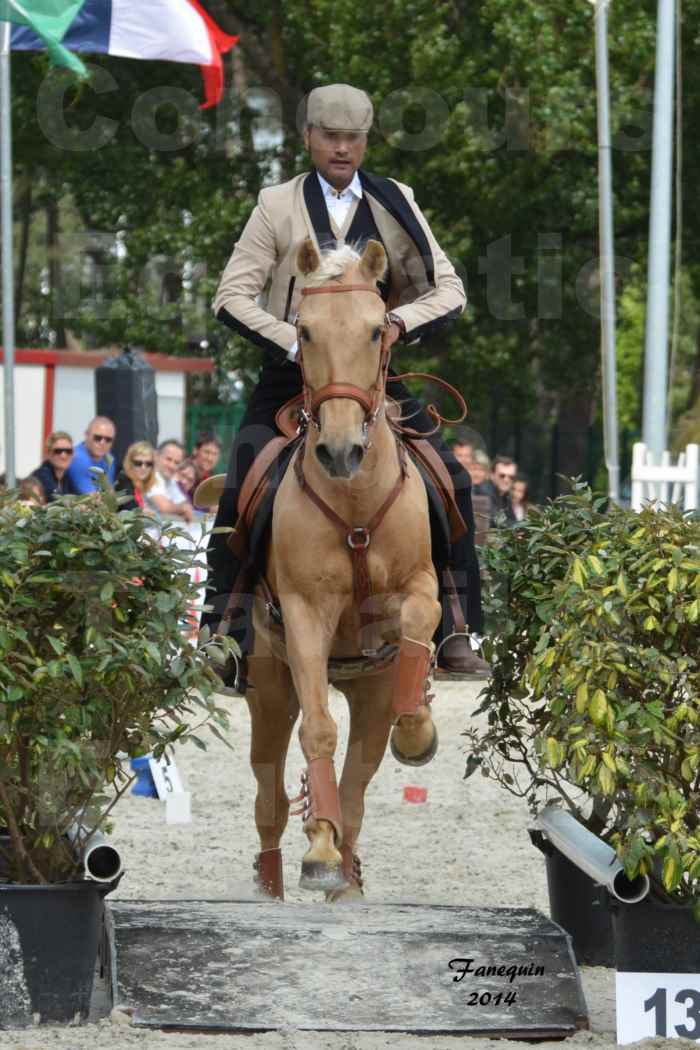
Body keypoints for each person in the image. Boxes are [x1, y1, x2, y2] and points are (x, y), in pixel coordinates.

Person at [205, 82, 490, 683]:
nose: (341, 148)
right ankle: (222, 632)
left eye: (353, 138)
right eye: (330, 137)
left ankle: (457, 627)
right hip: (293, 373)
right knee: (242, 482)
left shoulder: (396, 200)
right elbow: (230, 296)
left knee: (453, 478)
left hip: (370, 374)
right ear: (308, 137)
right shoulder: (276, 205)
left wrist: (393, 324)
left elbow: (450, 288)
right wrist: (294, 339)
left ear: (366, 141)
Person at [66, 416, 117, 493]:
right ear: (86, 435)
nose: (102, 443)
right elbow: (92, 497)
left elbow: (109, 492)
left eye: (108, 440)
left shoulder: (109, 458)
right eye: (98, 438)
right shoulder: (77, 458)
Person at [148, 439, 193, 522]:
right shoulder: (150, 476)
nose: (172, 466)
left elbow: (184, 503)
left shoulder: (170, 480)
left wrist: (183, 508)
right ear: (156, 456)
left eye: (176, 462)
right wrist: (182, 509)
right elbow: (164, 507)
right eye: (168, 459)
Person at [32, 431, 78, 501]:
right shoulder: (41, 475)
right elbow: (56, 499)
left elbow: (77, 497)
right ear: (48, 454)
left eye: (68, 451)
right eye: (58, 451)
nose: (63, 456)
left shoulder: (67, 477)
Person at [115, 442, 157, 512]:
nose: (143, 467)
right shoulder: (123, 482)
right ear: (130, 463)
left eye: (148, 464)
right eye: (138, 463)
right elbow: (132, 511)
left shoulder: (140, 485)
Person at [486, 455, 517, 526]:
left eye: (511, 477)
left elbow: (513, 520)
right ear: (492, 475)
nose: (506, 480)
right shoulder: (483, 492)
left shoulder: (506, 496)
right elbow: (496, 521)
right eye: (502, 476)